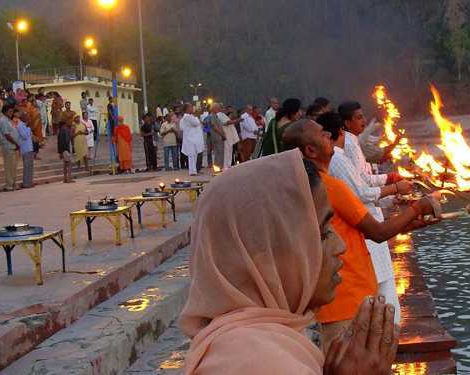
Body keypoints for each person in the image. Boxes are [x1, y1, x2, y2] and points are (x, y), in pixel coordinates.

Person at [180, 150, 398, 374]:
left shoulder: (258, 344)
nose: (340, 247)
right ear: (264, 257)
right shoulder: (262, 363)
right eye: (321, 234)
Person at [282, 119, 440, 352]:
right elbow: (376, 233)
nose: (329, 134)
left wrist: (407, 225)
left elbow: (350, 232)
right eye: (322, 134)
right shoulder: (331, 187)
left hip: (329, 302)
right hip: (347, 300)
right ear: (310, 150)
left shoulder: (303, 186)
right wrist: (418, 208)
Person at [318, 111, 410, 322]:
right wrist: (397, 189)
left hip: (365, 222)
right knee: (379, 286)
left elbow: (363, 180)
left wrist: (390, 182)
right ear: (342, 129)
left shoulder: (339, 157)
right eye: (358, 117)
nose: (362, 121)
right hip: (364, 225)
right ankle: (384, 330)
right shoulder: (337, 160)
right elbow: (361, 193)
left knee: (381, 282)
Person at [0, 104, 20, 191]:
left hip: (12, 146)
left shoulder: (9, 120)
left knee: (13, 166)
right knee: (9, 166)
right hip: (8, 145)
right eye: (10, 112)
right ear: (5, 112)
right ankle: (9, 184)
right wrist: (16, 143)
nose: (11, 113)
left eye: (12, 112)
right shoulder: (3, 120)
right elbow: (7, 134)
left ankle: (14, 183)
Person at [179, 103, 204, 176]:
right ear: (187, 109)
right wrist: (196, 117)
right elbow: (196, 123)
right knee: (192, 156)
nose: (192, 108)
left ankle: (194, 170)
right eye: (190, 107)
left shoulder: (189, 117)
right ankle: (192, 171)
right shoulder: (187, 117)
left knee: (194, 155)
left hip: (193, 139)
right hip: (191, 139)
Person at [16, 110, 35, 188]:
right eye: (26, 116)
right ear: (22, 117)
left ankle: (30, 182)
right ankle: (26, 183)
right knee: (27, 167)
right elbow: (24, 136)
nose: (28, 117)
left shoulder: (24, 125)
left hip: (29, 148)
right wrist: (28, 128)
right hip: (25, 148)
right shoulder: (20, 125)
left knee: (30, 167)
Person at [57, 114, 74, 183]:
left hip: (66, 148)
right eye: (70, 121)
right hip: (65, 149)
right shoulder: (64, 129)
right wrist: (61, 152)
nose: (71, 122)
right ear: (67, 121)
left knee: (65, 164)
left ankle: (65, 178)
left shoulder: (66, 129)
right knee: (69, 164)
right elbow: (61, 141)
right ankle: (68, 178)